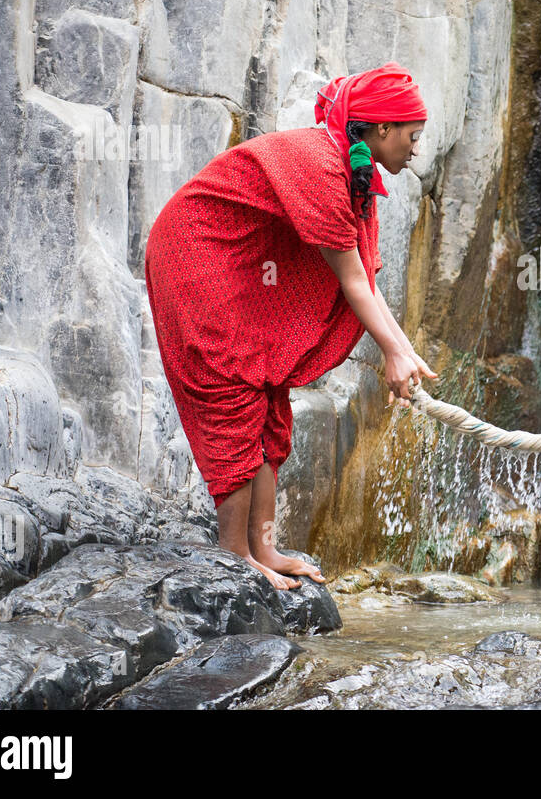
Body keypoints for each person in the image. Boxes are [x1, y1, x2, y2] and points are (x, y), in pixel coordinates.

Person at [144, 62, 438, 589]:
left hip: (237, 261)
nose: (417, 148)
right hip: (194, 254)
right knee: (231, 393)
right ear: (382, 129)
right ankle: (235, 557)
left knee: (267, 399)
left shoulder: (355, 170)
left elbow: (365, 275)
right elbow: (352, 280)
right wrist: (392, 352)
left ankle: (265, 547)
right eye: (412, 136)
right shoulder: (323, 167)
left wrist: (403, 348)